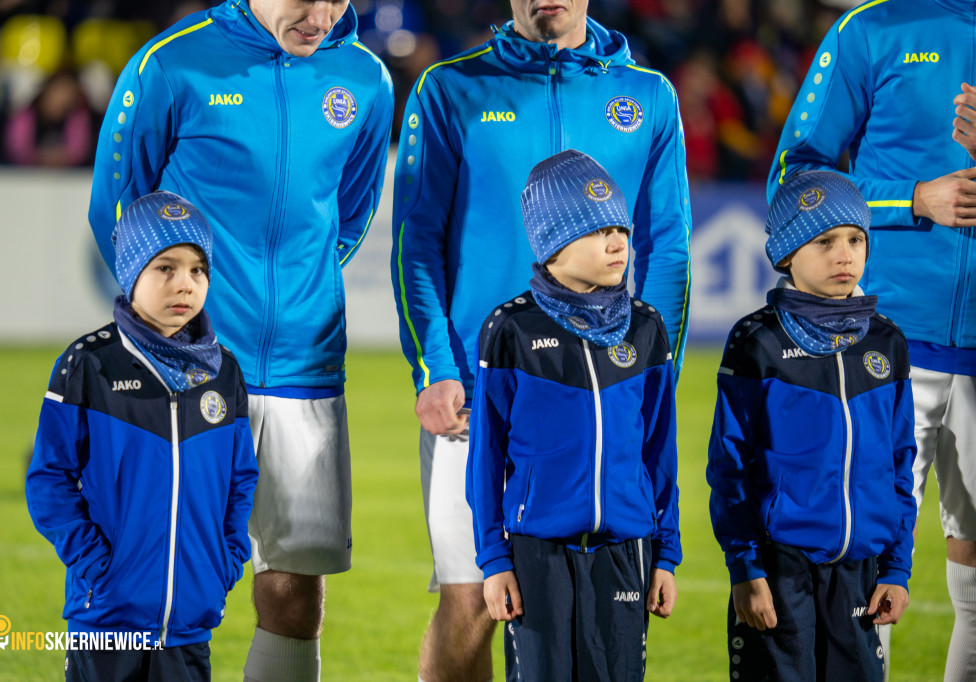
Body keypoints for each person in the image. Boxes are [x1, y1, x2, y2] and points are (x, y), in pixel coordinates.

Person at [87, 2, 394, 680]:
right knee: (147, 585)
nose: (319, 14)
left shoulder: (366, 80)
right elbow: (115, 204)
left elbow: (352, 209)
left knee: (293, 589)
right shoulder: (172, 62)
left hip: (304, 369)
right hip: (183, 371)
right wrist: (170, 330)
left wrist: (297, 294)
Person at [390, 2, 691, 677]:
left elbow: (667, 244)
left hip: (602, 391)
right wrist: (434, 365)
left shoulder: (647, 95)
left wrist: (654, 370)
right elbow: (416, 243)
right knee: (472, 602)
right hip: (478, 394)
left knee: (593, 606)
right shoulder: (449, 88)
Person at [768, 3, 976, 678]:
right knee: (857, 565)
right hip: (880, 349)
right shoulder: (874, 28)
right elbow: (794, 177)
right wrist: (912, 198)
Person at [465, 150, 681, 681]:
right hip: (537, 552)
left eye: (621, 229)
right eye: (595, 231)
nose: (617, 243)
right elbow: (486, 459)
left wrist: (666, 553)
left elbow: (660, 451)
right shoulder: (509, 329)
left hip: (627, 549)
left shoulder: (646, 328)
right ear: (551, 245)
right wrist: (494, 561)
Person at [25, 191, 259, 681]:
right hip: (107, 620)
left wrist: (226, 560)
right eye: (165, 268)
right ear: (130, 271)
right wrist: (97, 567)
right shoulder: (88, 364)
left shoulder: (224, 372)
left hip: (190, 624)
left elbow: (241, 480)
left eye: (197, 270)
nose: (185, 284)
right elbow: (49, 481)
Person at [709, 171, 917, 681]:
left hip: (861, 574)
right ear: (786, 254)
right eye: (824, 241)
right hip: (779, 572)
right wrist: (746, 569)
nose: (844, 254)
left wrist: (896, 568)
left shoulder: (886, 342)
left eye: (854, 240)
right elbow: (729, 466)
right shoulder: (756, 341)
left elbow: (899, 462)